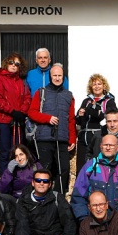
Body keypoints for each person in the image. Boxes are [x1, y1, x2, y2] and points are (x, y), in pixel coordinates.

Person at [72, 134, 118, 223]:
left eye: (111, 145)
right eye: (105, 145)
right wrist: (84, 219)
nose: (108, 148)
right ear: (100, 146)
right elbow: (78, 197)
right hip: (94, 224)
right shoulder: (89, 167)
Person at [29, 64, 77, 195]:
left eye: (59, 75)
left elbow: (71, 119)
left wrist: (72, 139)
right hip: (44, 138)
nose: (57, 78)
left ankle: (58, 197)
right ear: (50, 77)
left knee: (64, 169)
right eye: (54, 75)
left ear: (63, 77)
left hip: (62, 139)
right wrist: (47, 118)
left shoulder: (69, 95)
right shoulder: (41, 92)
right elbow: (32, 112)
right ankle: (44, 196)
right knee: (45, 169)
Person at [0, 53, 32, 173]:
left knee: (19, 151)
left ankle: (19, 178)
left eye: (17, 64)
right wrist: (12, 111)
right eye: (11, 63)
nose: (14, 66)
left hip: (18, 121)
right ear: (6, 64)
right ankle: (5, 178)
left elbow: (27, 98)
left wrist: (21, 112)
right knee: (5, 152)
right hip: (3, 120)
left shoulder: (22, 82)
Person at [77, 73, 115, 170]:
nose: (97, 86)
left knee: (98, 167)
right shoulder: (86, 101)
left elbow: (104, 118)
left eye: (99, 84)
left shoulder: (109, 101)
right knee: (81, 168)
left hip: (99, 138)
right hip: (83, 139)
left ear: (104, 86)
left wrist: (92, 110)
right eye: (94, 84)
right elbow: (78, 120)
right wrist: (79, 114)